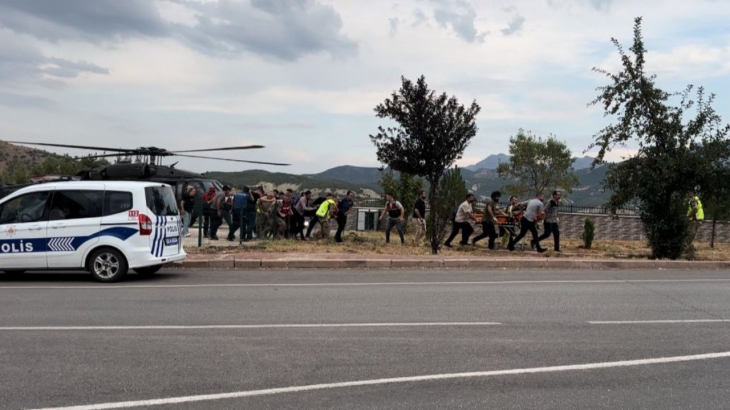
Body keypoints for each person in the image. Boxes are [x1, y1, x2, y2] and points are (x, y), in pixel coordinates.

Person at [686, 187, 705, 258]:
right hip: (698, 220)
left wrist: (688, 216)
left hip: (695, 221)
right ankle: (691, 254)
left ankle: (691, 256)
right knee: (691, 238)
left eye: (688, 192)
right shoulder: (696, 199)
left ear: (692, 193)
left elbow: (695, 209)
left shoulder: (693, 200)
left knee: (689, 237)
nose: (687, 194)